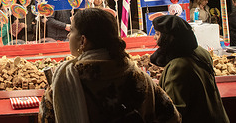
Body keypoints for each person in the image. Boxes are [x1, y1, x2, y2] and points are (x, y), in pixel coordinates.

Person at [39, 8, 181, 123]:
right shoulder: (139, 78)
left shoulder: (64, 82)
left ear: (83, 41)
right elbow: (173, 117)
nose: (69, 36)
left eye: (72, 31)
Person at [150, 15, 229, 122]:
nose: (155, 38)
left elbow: (174, 113)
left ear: (168, 38)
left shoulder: (177, 67)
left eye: (158, 34)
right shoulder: (200, 52)